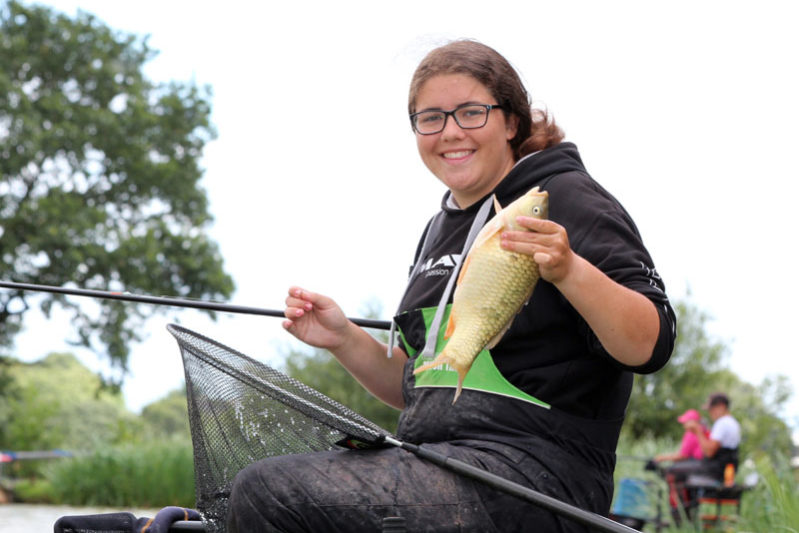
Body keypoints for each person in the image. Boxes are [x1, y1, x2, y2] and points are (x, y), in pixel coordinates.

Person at [226, 39, 676, 532]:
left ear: (511, 122)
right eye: (431, 118)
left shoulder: (565, 197)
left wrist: (570, 270)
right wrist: (344, 338)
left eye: (471, 112)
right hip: (439, 460)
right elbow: (419, 385)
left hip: (538, 480)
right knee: (254, 489)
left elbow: (650, 344)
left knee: (268, 491)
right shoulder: (443, 224)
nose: (451, 132)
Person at [684, 392, 741, 481]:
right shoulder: (734, 423)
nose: (710, 413)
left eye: (711, 409)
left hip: (716, 470)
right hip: (728, 468)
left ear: (721, 406)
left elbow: (709, 452)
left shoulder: (722, 423)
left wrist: (697, 431)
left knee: (674, 471)